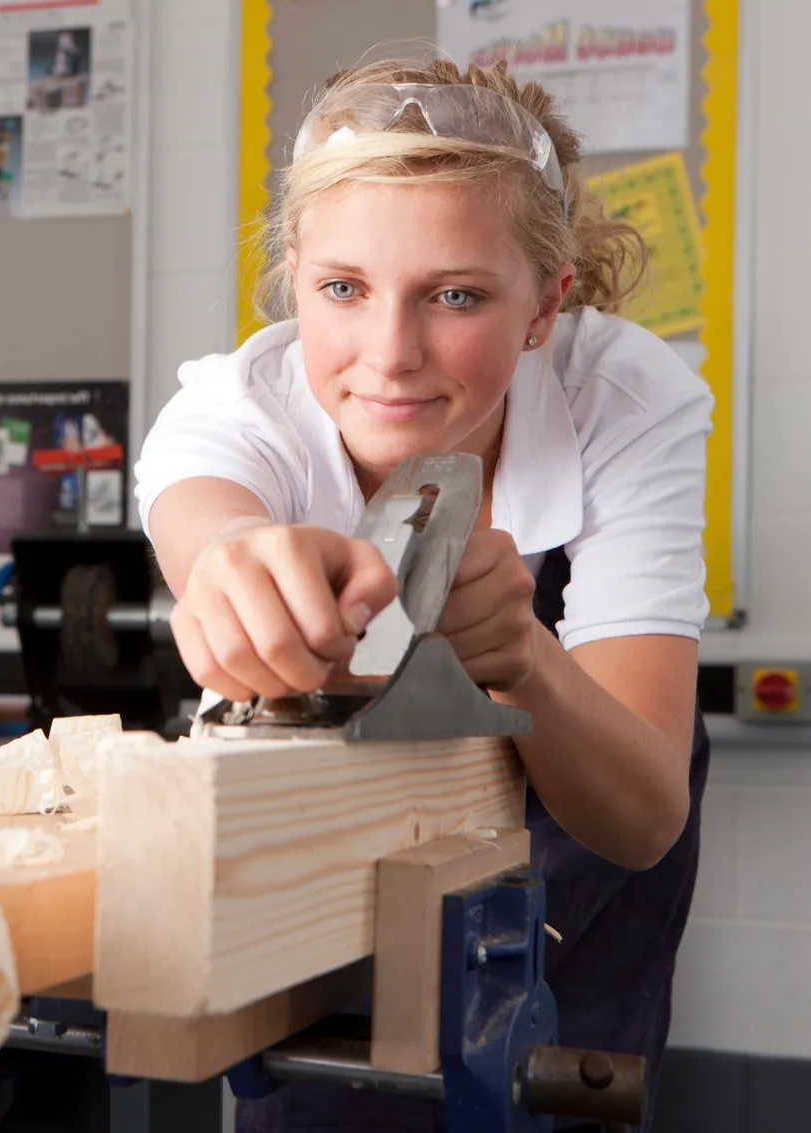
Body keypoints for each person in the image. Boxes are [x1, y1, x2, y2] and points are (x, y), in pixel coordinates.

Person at [133, 58, 714, 1132]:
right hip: (330, 866)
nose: (388, 358)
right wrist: (238, 572)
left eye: (454, 295)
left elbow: (640, 813)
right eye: (341, 290)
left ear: (546, 303)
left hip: (573, 836)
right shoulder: (231, 410)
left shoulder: (625, 400)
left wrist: (521, 658)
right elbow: (209, 526)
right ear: (293, 276)